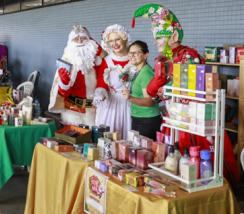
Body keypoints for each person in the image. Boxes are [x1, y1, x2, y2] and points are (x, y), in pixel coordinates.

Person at [133, 3, 239, 187]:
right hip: (173, 117)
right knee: (173, 158)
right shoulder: (163, 59)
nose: (156, 41)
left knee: (193, 160)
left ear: (173, 35)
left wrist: (160, 89)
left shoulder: (189, 56)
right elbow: (154, 96)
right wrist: (158, 87)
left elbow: (188, 92)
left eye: (159, 37)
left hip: (191, 118)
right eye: (155, 37)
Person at [48, 24, 106, 126]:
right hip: (72, 111)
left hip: (95, 111)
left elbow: (106, 75)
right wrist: (64, 83)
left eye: (83, 38)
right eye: (76, 39)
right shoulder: (67, 59)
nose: (80, 41)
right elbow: (62, 93)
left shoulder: (97, 60)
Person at [93, 24, 135, 140]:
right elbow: (102, 83)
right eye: (111, 41)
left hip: (130, 103)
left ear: (125, 39)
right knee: (109, 136)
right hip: (111, 104)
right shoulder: (106, 61)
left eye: (117, 39)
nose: (114, 44)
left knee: (128, 138)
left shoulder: (134, 58)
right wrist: (100, 94)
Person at [121, 41, 161, 140]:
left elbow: (149, 101)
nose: (132, 55)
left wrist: (130, 98)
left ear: (146, 55)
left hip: (147, 121)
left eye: (136, 52)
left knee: (144, 153)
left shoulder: (146, 73)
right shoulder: (139, 71)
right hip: (139, 118)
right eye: (130, 53)